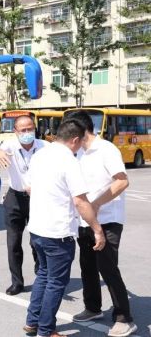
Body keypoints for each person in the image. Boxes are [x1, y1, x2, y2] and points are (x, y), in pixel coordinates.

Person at [23, 119, 106, 337]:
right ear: (75, 140)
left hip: (37, 228)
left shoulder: (40, 154)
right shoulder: (69, 161)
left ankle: (32, 322)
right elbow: (80, 201)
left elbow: (29, 187)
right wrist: (97, 229)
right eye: (81, 143)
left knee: (43, 274)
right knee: (56, 282)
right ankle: (46, 330)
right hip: (57, 232)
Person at [65, 110, 137, 337]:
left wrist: (95, 204)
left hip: (108, 219)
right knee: (87, 266)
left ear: (79, 129)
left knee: (107, 267)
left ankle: (124, 318)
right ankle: (93, 307)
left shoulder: (106, 149)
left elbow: (122, 181)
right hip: (85, 221)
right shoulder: (78, 153)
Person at [0, 115, 46, 295]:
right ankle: (17, 282)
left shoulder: (45, 147)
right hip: (15, 198)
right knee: (13, 242)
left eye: (30, 129)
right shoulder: (10, 145)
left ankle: (42, 274)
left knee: (37, 241)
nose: (27, 133)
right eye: (23, 130)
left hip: (38, 199)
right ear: (15, 132)